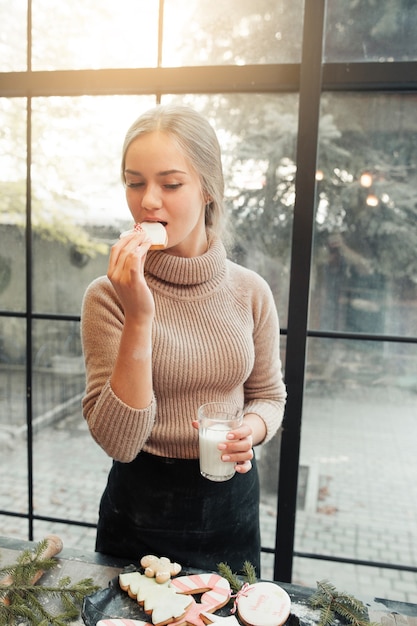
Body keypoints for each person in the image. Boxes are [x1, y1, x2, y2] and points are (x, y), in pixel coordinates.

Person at [81, 104, 286, 576]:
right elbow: (120, 441)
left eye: (170, 184)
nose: (148, 201)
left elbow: (268, 397)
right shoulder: (107, 297)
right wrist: (139, 314)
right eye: (135, 182)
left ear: (208, 189)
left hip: (230, 508)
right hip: (138, 511)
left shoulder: (250, 291)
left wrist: (247, 434)